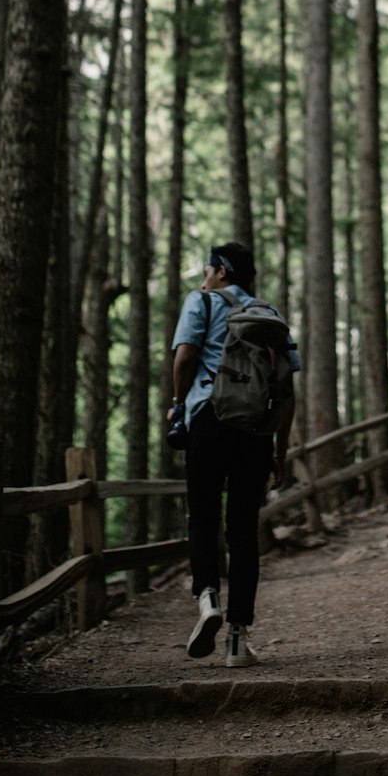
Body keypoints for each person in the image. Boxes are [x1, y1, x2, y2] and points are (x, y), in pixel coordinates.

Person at [167, 241, 297, 667]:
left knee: (203, 516)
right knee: (243, 532)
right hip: (255, 431)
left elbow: (185, 356)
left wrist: (177, 403)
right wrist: (279, 447)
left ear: (222, 271)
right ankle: (238, 641)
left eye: (208, 268)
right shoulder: (271, 317)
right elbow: (287, 390)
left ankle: (208, 599)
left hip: (209, 418)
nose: (205, 276)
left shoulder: (201, 303)